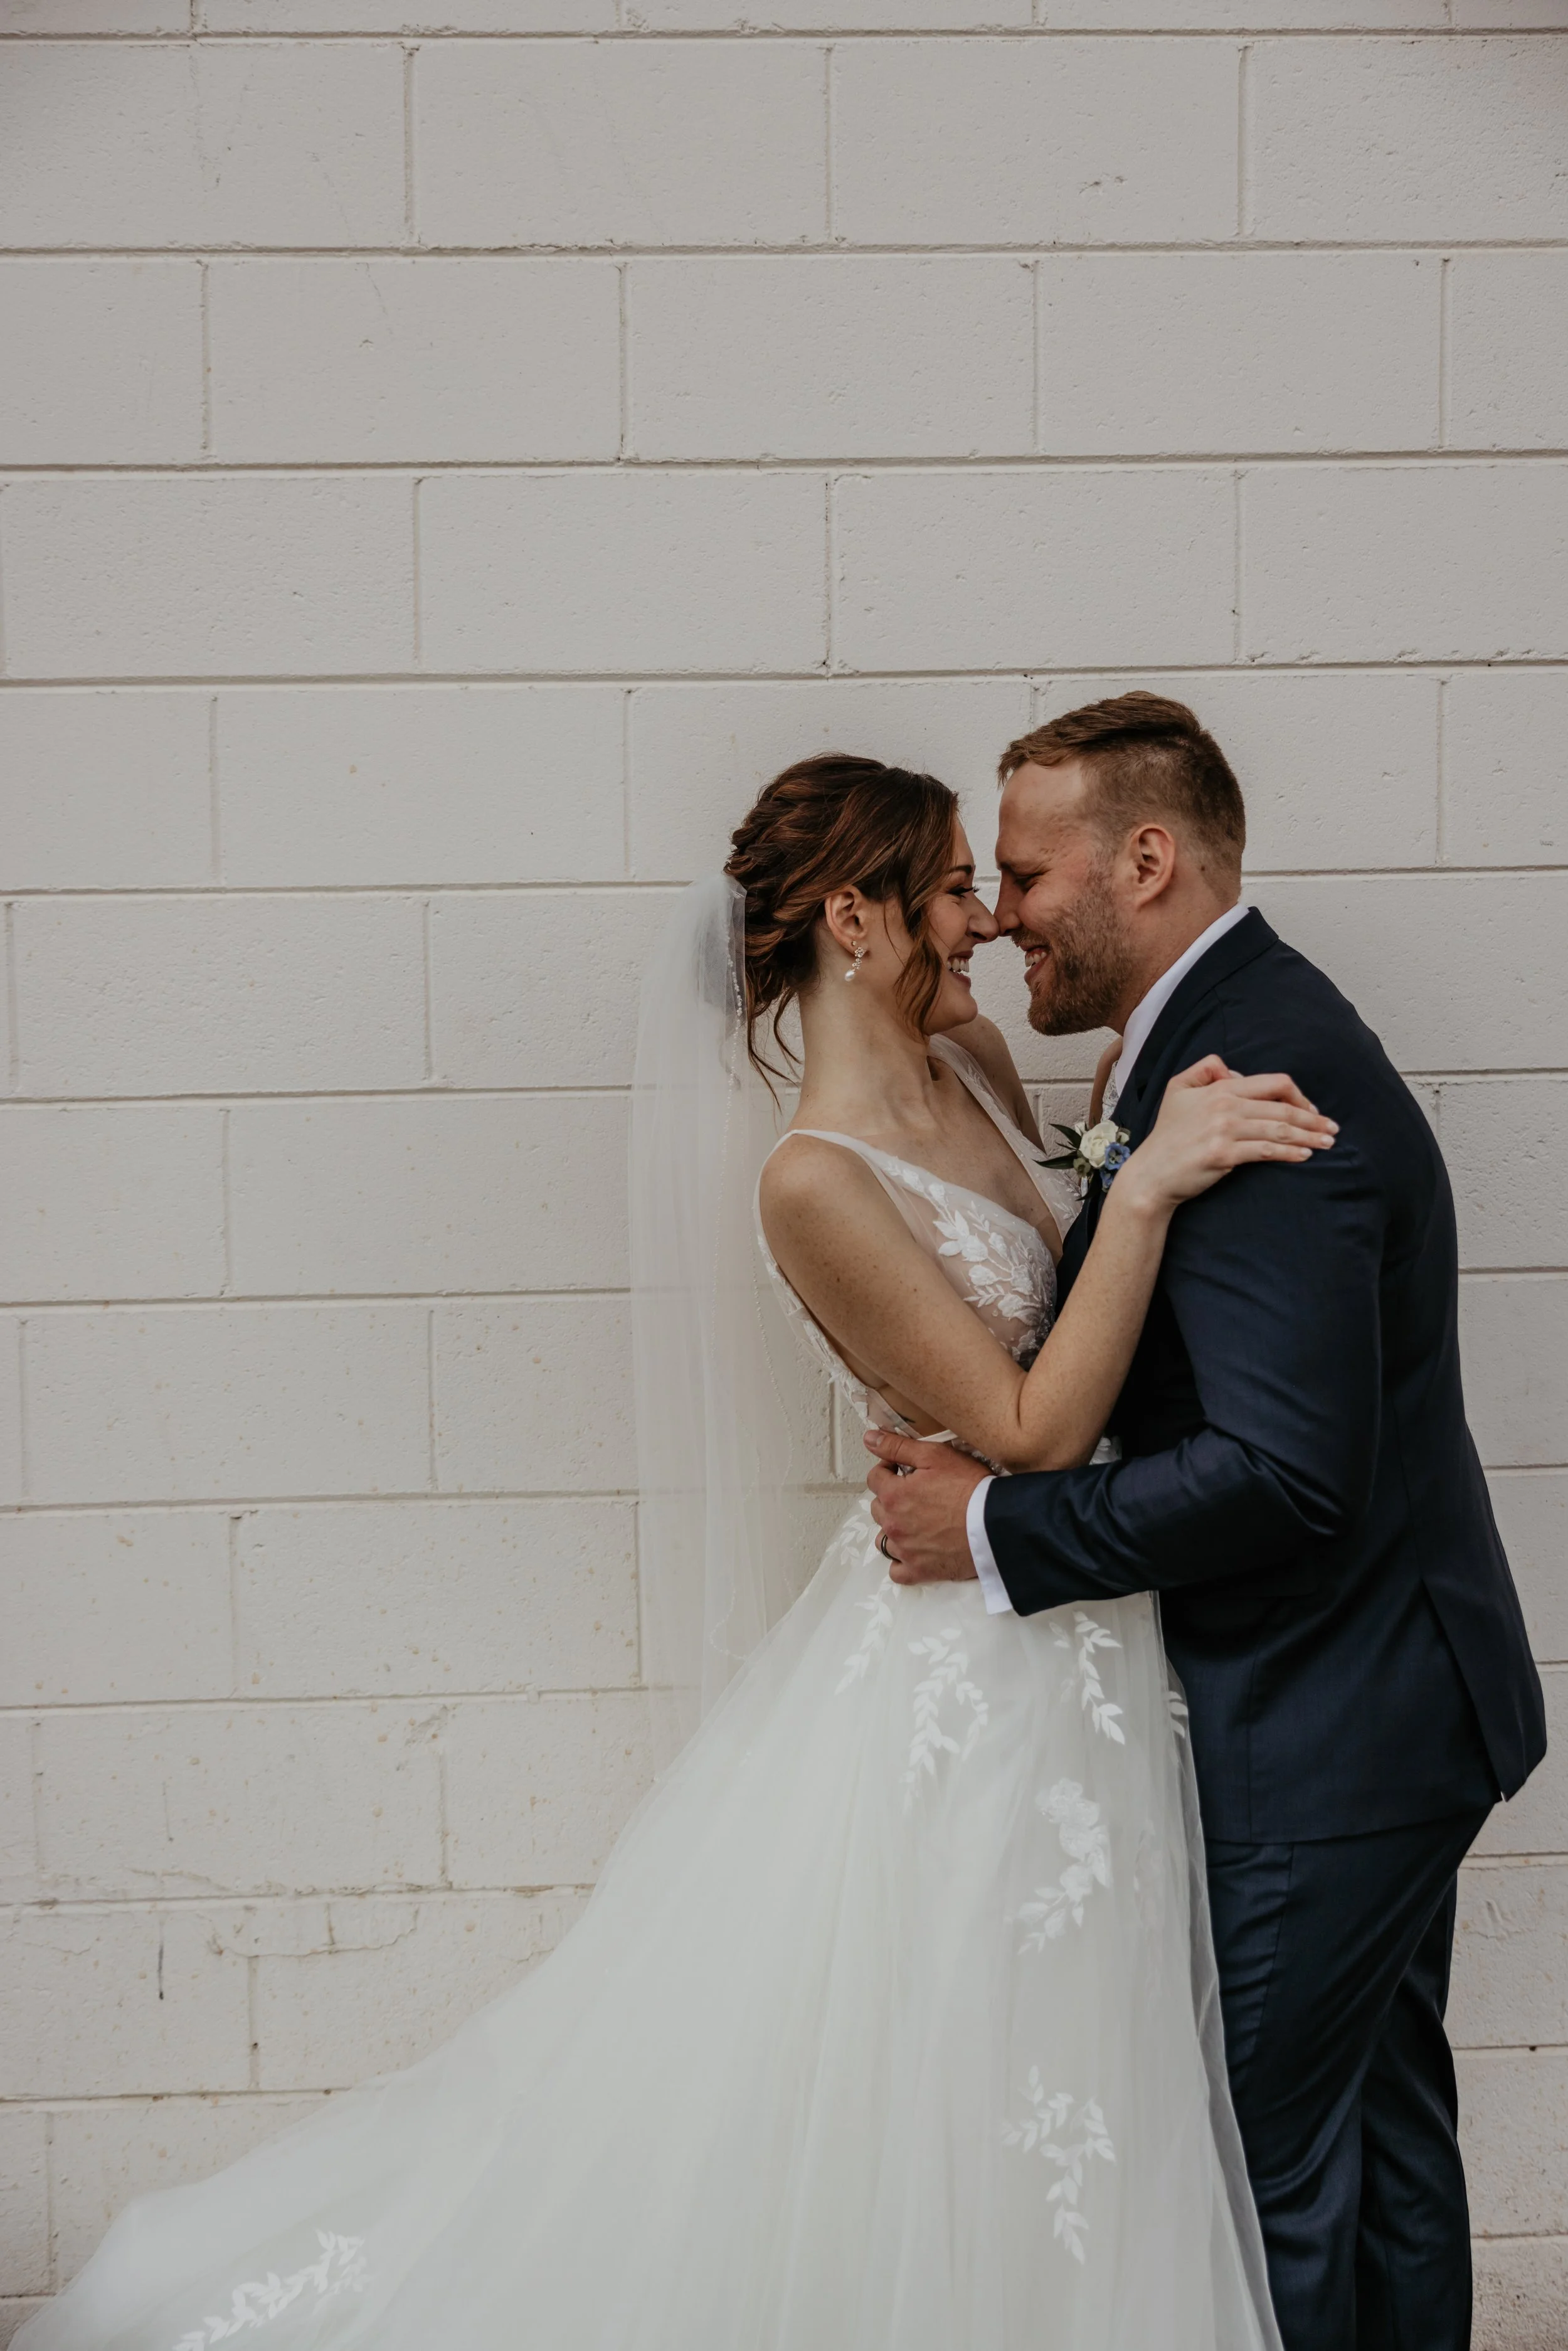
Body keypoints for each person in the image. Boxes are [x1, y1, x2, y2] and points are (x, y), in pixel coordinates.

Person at [16, 750, 1336, 2351]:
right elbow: (1032, 1421)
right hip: (966, 1653)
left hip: (1075, 1616)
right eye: (942, 888)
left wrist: (1129, 1177)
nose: (981, 919)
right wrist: (1141, 1198)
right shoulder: (812, 1182)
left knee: (1059, 2062)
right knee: (949, 2056)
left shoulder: (975, 1057)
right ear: (851, 916)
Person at [865, 694, 1547, 2351]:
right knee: (1374, 2153)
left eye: (1025, 871)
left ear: (1144, 858)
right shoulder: (1206, 1038)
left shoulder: (1256, 1074)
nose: (1003, 907)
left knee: (1249, 2191)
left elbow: (1282, 1470)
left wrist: (1004, 1527)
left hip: (1329, 1732)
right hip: (1381, 1708)